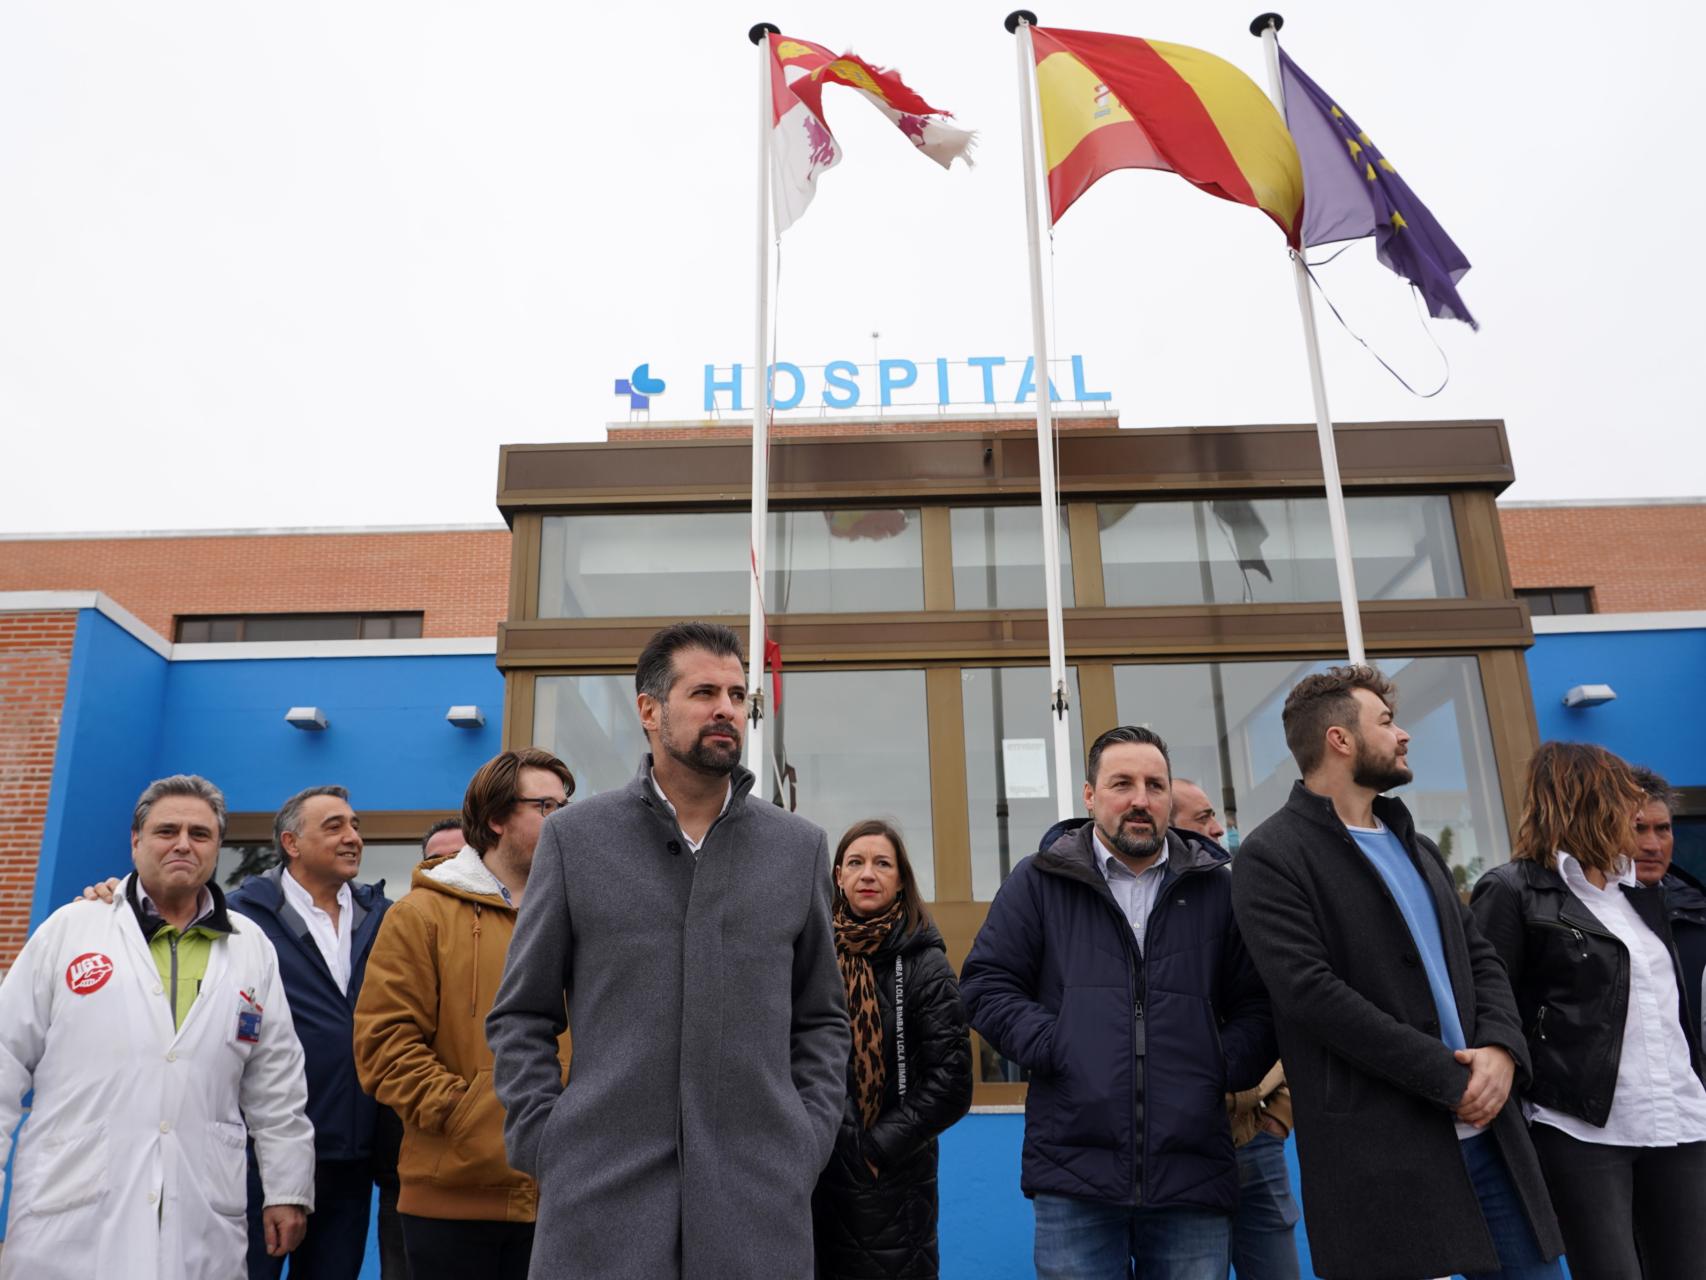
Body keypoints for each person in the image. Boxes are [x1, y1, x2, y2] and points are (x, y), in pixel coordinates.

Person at [486, 621, 849, 1278]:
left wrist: (805, 1139)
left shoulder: (798, 849)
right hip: (600, 1205)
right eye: (704, 692)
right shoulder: (576, 841)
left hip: (756, 1210)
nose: (726, 710)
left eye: (738, 695)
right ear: (649, 710)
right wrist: (549, 1140)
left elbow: (822, 1018)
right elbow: (522, 1014)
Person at [1231, 665, 1562, 1280]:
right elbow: (1311, 995)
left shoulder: (1418, 843)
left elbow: (1480, 957)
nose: (1404, 734)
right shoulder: (1271, 855)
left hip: (1492, 1136)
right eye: (1386, 723)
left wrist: (1500, 1051)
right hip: (1384, 1152)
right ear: (1340, 739)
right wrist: (1448, 1079)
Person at [960, 726, 1275, 1280]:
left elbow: (1260, 1004)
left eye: (1155, 785)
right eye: (1122, 783)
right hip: (1073, 1172)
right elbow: (986, 985)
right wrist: (1057, 1044)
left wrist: (1217, 1064)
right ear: (1089, 796)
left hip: (1192, 1172)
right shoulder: (1039, 881)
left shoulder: (1217, 890)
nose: (1140, 799)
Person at [0, 775, 315, 1279]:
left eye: (200, 833)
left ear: (217, 847)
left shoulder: (250, 946)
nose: (183, 844)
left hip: (200, 1209)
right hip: (71, 1204)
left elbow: (276, 1081)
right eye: (167, 830)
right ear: (136, 840)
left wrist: (287, 1189)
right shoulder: (71, 930)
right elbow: (5, 1060)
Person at [1470, 742, 1706, 1279]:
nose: (1638, 816)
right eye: (1624, 800)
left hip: (1680, 1121)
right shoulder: (1514, 890)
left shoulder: (1646, 894)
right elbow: (1488, 1005)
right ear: (1586, 802)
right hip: (1581, 1129)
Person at [354, 749, 575, 1280]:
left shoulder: (582, 915)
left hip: (565, 1198)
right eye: (546, 806)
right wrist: (467, 1117)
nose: (564, 819)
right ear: (496, 818)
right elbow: (383, 1046)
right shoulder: (420, 914)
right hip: (453, 1199)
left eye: (568, 805)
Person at [216, 785, 392, 1279]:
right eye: (334, 826)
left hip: (350, 1158)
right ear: (291, 843)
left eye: (355, 825)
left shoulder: (384, 918)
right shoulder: (239, 918)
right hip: (257, 1159)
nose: (352, 837)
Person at [811, 819, 973, 1280]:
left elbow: (952, 1083)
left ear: (901, 879)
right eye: (856, 863)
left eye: (883, 864)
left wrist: (875, 1151)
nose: (868, 874)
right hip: (812, 1176)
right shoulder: (811, 954)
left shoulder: (926, 964)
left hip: (892, 1183)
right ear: (838, 875)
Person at [1170, 777, 1299, 1280]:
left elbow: (1288, 1004)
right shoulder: (1148, 914)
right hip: (1185, 1147)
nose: (1219, 827)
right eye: (1202, 817)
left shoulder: (1247, 897)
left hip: (1258, 1138)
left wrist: (1282, 1113)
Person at [1630, 765, 1706, 1036]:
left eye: (1662, 829)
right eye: (1638, 829)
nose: (1652, 845)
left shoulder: (1698, 910)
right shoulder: (1582, 913)